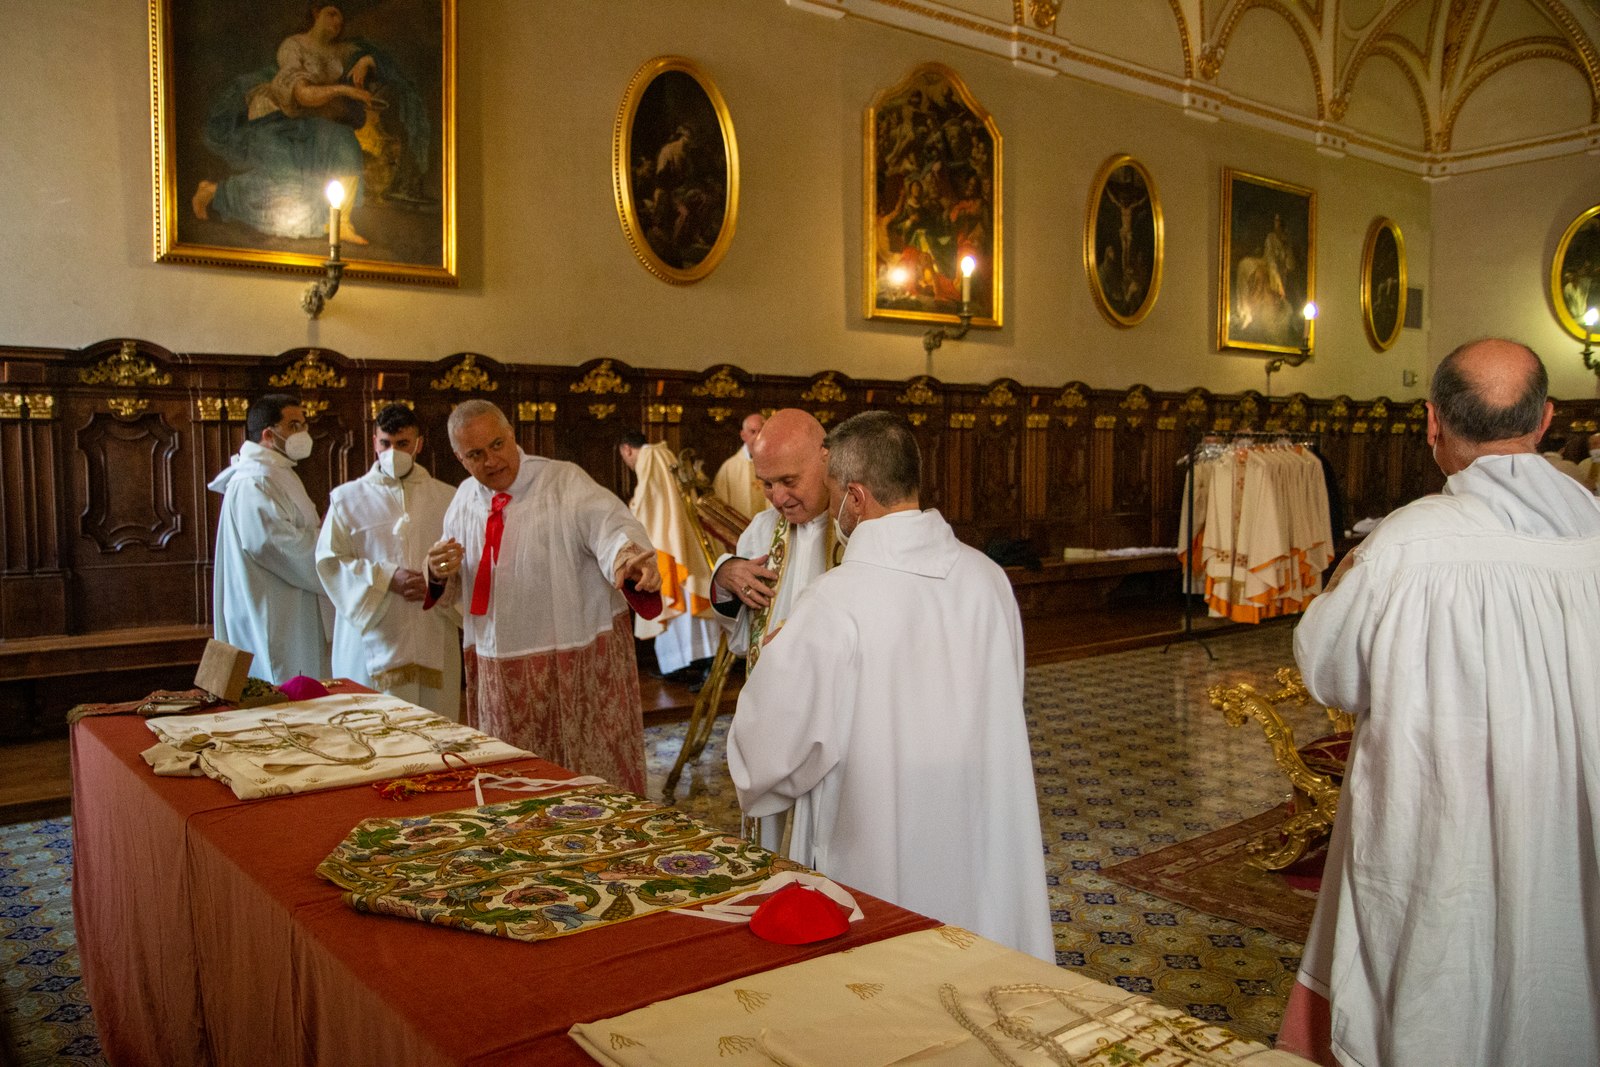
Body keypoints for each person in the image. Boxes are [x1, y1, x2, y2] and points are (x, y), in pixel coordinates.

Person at [1282, 338, 1600, 1066]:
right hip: (1571, 816)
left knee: (1442, 980)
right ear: (1545, 420)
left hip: (1444, 827)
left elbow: (1329, 672)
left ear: (1432, 423)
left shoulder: (1405, 546)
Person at [726, 411, 1054, 962]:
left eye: (835, 492)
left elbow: (769, 755)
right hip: (980, 823)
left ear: (855, 498)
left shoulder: (834, 601)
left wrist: (777, 661)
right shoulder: (988, 579)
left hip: (876, 842)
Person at [424, 401, 659, 792]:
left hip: (575, 661)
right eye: (476, 455)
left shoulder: (563, 482)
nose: (491, 461)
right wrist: (436, 570)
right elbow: (454, 579)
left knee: (586, 777)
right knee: (515, 780)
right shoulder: (464, 499)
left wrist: (627, 557)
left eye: (497, 445)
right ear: (459, 458)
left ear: (512, 434)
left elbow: (609, 524)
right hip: (500, 665)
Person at [194, 4, 427, 244]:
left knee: (345, 143)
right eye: (331, 14)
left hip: (313, 124)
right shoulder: (293, 47)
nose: (337, 22)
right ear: (316, 13)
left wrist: (367, 60)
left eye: (341, 17)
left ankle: (341, 223)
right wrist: (345, 90)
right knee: (289, 188)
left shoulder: (344, 51)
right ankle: (215, 192)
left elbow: (388, 64)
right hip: (276, 121)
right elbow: (303, 95)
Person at [316, 403, 461, 718]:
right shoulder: (346, 499)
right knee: (373, 725)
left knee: (435, 723)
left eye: (402, 444)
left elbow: (463, 559)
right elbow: (330, 561)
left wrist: (435, 581)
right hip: (374, 630)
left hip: (431, 624)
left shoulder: (448, 498)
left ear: (418, 444)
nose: (393, 452)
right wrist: (387, 577)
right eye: (386, 443)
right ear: (374, 443)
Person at [208, 393, 333, 683]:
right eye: (293, 426)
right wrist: (329, 543)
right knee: (282, 683)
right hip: (274, 610)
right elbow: (272, 545)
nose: (303, 433)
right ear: (268, 434)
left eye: (304, 425)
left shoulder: (278, 472)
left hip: (292, 606)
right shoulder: (255, 479)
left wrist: (322, 533)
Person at [710, 408, 838, 667]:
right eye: (767, 484)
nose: (777, 499)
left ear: (826, 459)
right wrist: (724, 579)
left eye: (789, 481)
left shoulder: (857, 529)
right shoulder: (762, 529)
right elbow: (742, 642)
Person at [617, 432, 719, 679]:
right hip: (679, 537)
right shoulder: (665, 453)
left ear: (627, 449)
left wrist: (630, 515)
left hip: (665, 541)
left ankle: (684, 663)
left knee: (674, 598)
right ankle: (696, 659)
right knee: (686, 600)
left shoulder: (650, 457)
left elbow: (647, 502)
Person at [710, 412, 768, 520]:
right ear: (743, 435)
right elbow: (720, 509)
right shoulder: (729, 468)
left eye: (761, 432)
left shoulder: (776, 464)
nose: (758, 437)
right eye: (753, 432)